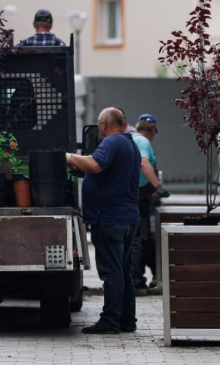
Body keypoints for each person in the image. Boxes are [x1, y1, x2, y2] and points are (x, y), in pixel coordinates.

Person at [66, 107, 140, 334]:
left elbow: (95, 165)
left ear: (104, 125)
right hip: (126, 218)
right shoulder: (130, 144)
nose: (98, 132)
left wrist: (67, 157)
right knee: (122, 270)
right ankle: (127, 320)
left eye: (99, 127)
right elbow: (101, 172)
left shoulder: (111, 142)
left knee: (112, 272)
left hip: (109, 218)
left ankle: (110, 320)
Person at [130, 114, 170, 296]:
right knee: (140, 239)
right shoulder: (144, 142)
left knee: (137, 238)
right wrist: (159, 187)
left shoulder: (131, 139)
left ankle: (140, 280)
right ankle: (137, 283)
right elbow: (144, 163)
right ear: (152, 130)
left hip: (133, 196)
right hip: (139, 198)